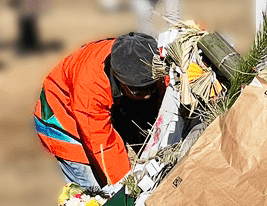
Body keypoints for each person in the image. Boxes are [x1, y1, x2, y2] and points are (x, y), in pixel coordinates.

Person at [34, 32, 167, 191]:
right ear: (118, 79)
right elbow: (103, 146)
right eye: (137, 91)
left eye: (151, 87)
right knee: (96, 192)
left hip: (102, 105)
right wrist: (128, 189)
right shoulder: (91, 89)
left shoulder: (147, 55)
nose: (146, 96)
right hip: (61, 117)